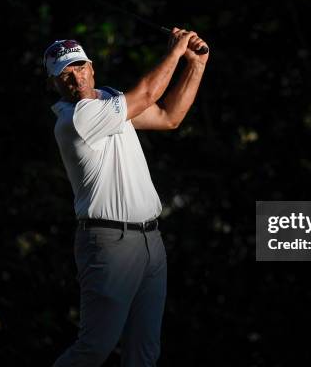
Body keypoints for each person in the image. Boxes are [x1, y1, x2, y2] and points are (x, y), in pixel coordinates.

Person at [46, 28, 209, 367]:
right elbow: (149, 93)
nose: (74, 77)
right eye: (64, 74)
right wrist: (176, 51)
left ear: (91, 67)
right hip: (108, 244)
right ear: (55, 85)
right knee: (94, 348)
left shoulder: (109, 100)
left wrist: (196, 64)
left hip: (151, 241)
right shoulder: (76, 117)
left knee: (144, 353)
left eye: (78, 67)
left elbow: (169, 117)